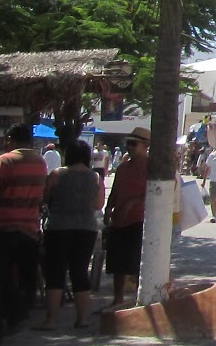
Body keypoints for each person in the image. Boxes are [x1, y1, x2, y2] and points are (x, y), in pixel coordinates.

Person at [0, 123, 49, 344]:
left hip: (2, 228)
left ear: (11, 139)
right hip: (29, 230)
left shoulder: (4, 161)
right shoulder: (40, 163)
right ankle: (16, 314)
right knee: (18, 279)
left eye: (6, 139)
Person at [37, 141, 104, 331]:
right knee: (80, 272)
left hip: (58, 227)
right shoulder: (95, 178)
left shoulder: (57, 174)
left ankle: (50, 320)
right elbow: (98, 205)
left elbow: (45, 199)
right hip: (86, 228)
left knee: (55, 273)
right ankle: (82, 319)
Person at [102, 129, 149, 309]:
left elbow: (153, 193)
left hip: (138, 220)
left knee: (136, 262)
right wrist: (108, 209)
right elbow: (115, 191)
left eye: (133, 144)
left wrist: (133, 202)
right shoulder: (123, 167)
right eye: (128, 143)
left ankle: (140, 300)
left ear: (145, 146)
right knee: (117, 264)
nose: (129, 147)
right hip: (119, 220)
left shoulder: (151, 166)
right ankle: (118, 299)